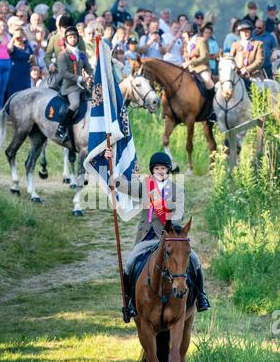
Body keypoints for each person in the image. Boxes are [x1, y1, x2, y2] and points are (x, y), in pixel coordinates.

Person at [104, 149, 210, 322]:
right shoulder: (146, 186)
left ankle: (201, 296)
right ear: (152, 170)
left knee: (195, 260)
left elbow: (179, 214)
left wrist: (161, 203)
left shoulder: (178, 189)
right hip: (147, 239)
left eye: (163, 168)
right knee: (130, 263)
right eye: (157, 168)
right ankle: (130, 302)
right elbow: (122, 186)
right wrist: (112, 163)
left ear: (168, 170)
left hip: (168, 239)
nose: (160, 171)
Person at [55, 26, 93, 142]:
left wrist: (92, 76)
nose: (73, 39)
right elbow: (63, 73)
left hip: (82, 86)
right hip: (70, 87)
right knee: (75, 104)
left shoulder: (82, 53)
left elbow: (88, 68)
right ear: (67, 39)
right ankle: (61, 128)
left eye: (75, 37)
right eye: (70, 37)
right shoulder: (63, 54)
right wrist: (80, 78)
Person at [230, 20, 264, 92]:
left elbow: (259, 60)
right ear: (240, 32)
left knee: (260, 90)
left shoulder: (258, 44)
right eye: (242, 31)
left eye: (247, 31)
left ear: (251, 32)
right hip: (237, 75)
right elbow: (231, 59)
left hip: (253, 76)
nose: (245, 34)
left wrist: (247, 69)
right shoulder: (235, 45)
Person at [181, 22, 214, 92]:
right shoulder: (186, 43)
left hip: (201, 69)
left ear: (190, 33)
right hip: (189, 70)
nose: (182, 35)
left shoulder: (201, 41)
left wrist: (190, 62)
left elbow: (205, 57)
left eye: (184, 33)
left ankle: (212, 99)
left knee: (207, 80)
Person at [7, 28, 34, 97]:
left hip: (25, 74)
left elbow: (33, 59)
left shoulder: (27, 46)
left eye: (20, 36)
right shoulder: (13, 47)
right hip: (15, 73)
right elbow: (9, 49)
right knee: (14, 94)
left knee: (26, 94)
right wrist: (14, 38)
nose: (19, 38)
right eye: (17, 37)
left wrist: (32, 59)